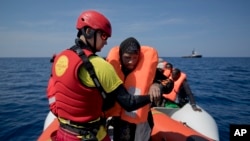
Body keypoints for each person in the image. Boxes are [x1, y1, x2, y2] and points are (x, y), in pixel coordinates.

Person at [46, 10, 161, 141]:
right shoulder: (99, 65)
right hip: (88, 135)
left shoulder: (59, 57)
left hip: (63, 133)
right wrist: (153, 96)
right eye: (104, 36)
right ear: (88, 31)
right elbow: (129, 103)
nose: (106, 42)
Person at [105, 37, 167, 141]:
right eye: (127, 57)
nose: (131, 62)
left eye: (135, 57)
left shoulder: (148, 71)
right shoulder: (111, 69)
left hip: (142, 122)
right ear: (120, 56)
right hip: (119, 121)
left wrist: (157, 85)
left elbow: (168, 82)